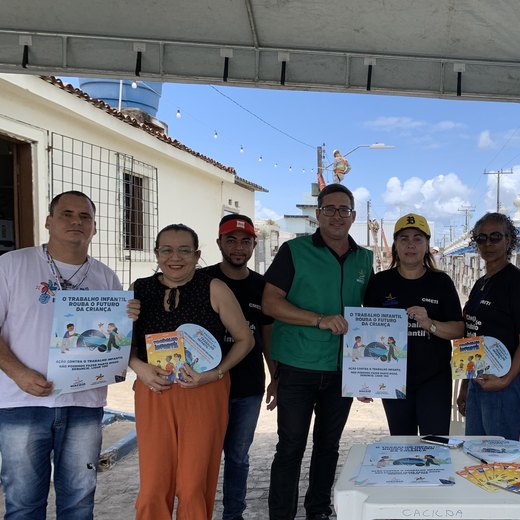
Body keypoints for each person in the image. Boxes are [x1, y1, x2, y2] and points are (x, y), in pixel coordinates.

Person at [0, 190, 139, 519]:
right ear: (49, 221)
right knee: (23, 504)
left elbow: (112, 340)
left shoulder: (106, 277)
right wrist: (18, 372)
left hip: (84, 406)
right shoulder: (11, 265)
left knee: (79, 501)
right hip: (21, 403)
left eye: (85, 217)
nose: (76, 221)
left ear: (94, 228)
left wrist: (127, 321)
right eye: (67, 214)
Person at [129, 223, 254, 519]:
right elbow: (125, 346)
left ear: (197, 254)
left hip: (203, 392)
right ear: (156, 253)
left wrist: (217, 373)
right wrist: (139, 369)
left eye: (185, 250)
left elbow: (244, 339)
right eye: (167, 250)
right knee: (152, 487)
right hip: (153, 391)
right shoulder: (140, 289)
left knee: (192, 484)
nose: (176, 257)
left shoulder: (214, 287)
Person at [263, 183, 372, 520]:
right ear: (318, 214)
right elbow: (271, 302)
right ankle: (282, 514)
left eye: (344, 210)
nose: (337, 216)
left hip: (342, 370)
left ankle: (318, 510)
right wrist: (319, 320)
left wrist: (369, 373)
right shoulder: (293, 250)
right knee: (291, 447)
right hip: (297, 366)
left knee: (328, 447)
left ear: (353, 216)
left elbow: (372, 316)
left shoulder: (365, 258)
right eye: (330, 209)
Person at [201, 213, 275, 520]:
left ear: (254, 245)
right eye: (231, 240)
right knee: (201, 456)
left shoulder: (263, 286)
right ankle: (198, 511)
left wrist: (276, 376)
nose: (238, 247)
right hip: (204, 386)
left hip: (248, 386)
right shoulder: (200, 281)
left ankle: (234, 514)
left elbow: (267, 334)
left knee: (237, 457)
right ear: (219, 242)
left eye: (246, 241)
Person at [363, 212, 465, 435]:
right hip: (394, 380)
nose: (411, 244)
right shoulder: (380, 283)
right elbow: (366, 331)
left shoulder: (441, 282)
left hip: (434, 379)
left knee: (435, 444)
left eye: (418, 238)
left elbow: (459, 329)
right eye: (404, 239)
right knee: (402, 444)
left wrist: (431, 324)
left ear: (427, 245)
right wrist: (364, 379)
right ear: (396, 245)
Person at [457, 212, 520, 441]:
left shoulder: (516, 282)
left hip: (504, 384)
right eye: (482, 238)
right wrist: (465, 385)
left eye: (495, 237)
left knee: (500, 456)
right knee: (475, 451)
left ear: (509, 240)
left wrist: (505, 380)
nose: (488, 244)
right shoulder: (480, 283)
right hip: (477, 380)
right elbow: (472, 335)